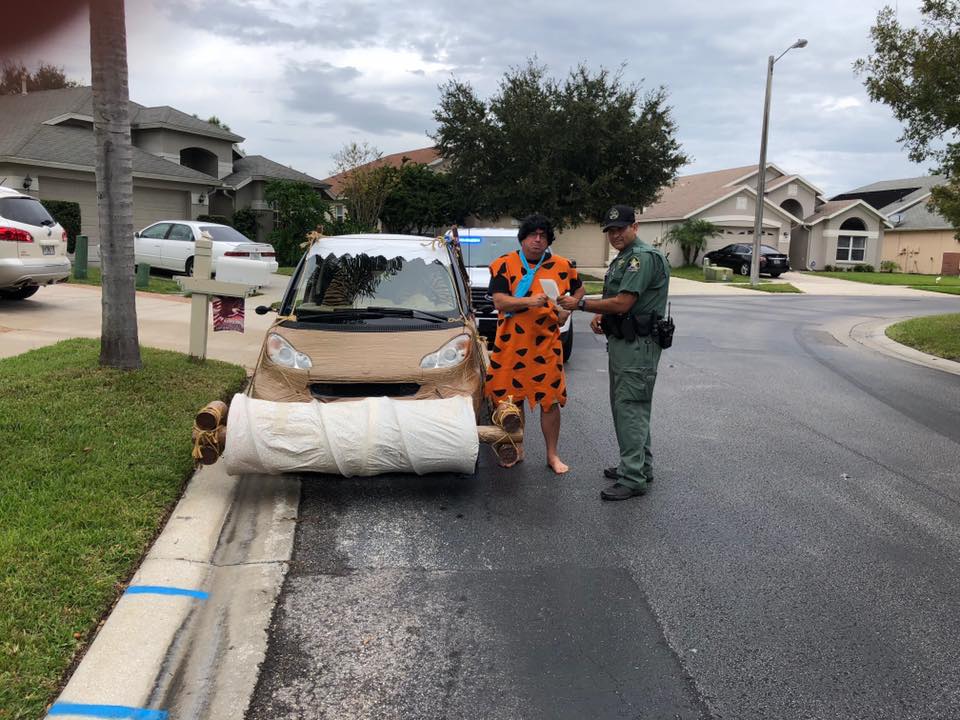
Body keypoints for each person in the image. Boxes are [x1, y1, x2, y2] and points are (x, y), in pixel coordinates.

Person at [559, 205, 670, 500]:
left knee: (630, 407)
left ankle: (633, 478)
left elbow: (623, 303)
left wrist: (582, 305)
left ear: (635, 227)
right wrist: (601, 316)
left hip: (638, 346)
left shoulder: (641, 258)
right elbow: (616, 301)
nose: (615, 234)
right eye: (610, 230)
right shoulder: (624, 258)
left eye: (620, 228)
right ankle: (638, 467)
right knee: (631, 406)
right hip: (626, 342)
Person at [485, 214, 585, 474]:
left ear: (548, 240)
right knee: (511, 400)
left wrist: (568, 310)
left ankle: (552, 455)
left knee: (549, 401)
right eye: (533, 235)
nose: (538, 240)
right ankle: (517, 448)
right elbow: (499, 302)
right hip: (510, 343)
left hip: (546, 344)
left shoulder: (562, 265)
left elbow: (579, 290)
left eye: (543, 236)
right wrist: (530, 302)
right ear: (523, 238)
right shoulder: (504, 264)